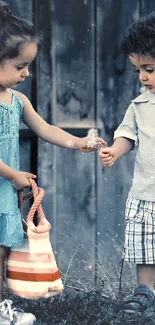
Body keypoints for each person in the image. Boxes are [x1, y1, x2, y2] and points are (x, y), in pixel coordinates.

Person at [0, 1, 106, 324]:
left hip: (5, 193)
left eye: (29, 65)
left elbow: (44, 128)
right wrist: (14, 174)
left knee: (4, 253)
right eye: (20, 66)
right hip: (7, 181)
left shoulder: (18, 101)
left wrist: (78, 143)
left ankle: (1, 308)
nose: (27, 73)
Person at [99, 12, 155, 314]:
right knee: (145, 248)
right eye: (138, 70)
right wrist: (115, 151)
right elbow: (127, 135)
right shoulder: (140, 104)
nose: (143, 77)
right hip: (147, 193)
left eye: (149, 69)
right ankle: (145, 291)